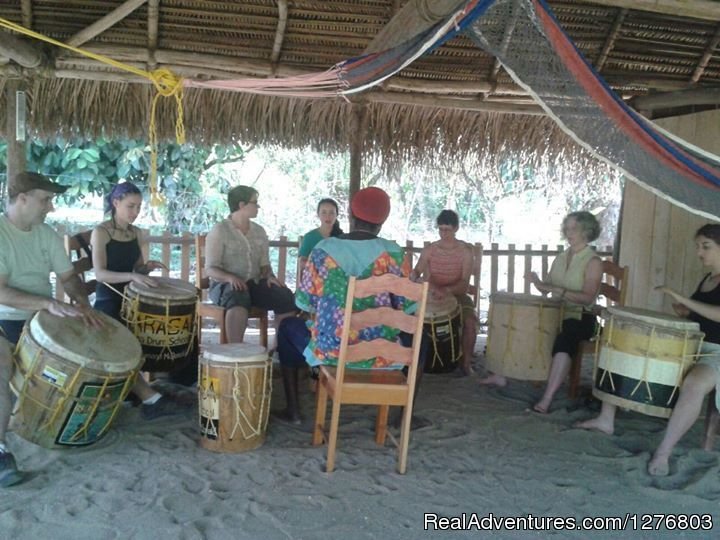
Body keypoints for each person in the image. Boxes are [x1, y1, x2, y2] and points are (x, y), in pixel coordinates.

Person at [576, 224, 720, 477]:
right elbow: (699, 314)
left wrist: (680, 296)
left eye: (705, 247)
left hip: (714, 353)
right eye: (697, 246)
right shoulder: (708, 279)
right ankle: (606, 419)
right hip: (692, 344)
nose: (699, 252)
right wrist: (684, 311)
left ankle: (663, 452)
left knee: (695, 384)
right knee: (629, 346)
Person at [273, 187, 422, 425]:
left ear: (351, 216)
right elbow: (407, 308)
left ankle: (293, 411)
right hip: (383, 355)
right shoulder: (394, 253)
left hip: (331, 353)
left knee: (287, 328)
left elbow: (305, 301)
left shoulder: (323, 250)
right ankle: (405, 418)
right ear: (382, 222)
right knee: (419, 341)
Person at [0, 172, 105, 487]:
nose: (51, 207)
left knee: (99, 337)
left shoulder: (46, 233)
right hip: (3, 317)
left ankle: (148, 398)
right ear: (23, 198)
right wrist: (46, 303)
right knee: (2, 365)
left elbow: (68, 277)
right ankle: (1, 450)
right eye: (45, 199)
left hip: (40, 317)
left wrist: (83, 304)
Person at [481, 212, 602, 411]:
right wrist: (537, 282)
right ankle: (502, 375)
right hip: (554, 314)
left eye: (574, 229)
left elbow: (588, 298)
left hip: (580, 317)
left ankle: (547, 398)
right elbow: (547, 289)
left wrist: (559, 291)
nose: (568, 232)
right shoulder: (562, 257)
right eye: (567, 228)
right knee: (520, 324)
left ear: (586, 232)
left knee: (565, 338)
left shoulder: (593, 261)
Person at [90, 181, 187, 418]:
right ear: (115, 203)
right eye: (130, 206)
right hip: (109, 301)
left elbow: (134, 268)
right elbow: (101, 274)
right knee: (122, 345)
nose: (135, 212)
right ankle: (149, 398)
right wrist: (133, 275)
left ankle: (161, 386)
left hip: (132, 299)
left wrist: (144, 269)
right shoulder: (101, 232)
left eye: (138, 207)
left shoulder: (136, 233)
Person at [205, 185, 296, 344]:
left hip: (253, 284)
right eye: (255, 202)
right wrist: (230, 278)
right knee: (238, 295)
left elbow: (264, 265)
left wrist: (269, 276)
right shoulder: (220, 230)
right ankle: (235, 351)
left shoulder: (259, 231)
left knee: (285, 296)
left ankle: (279, 347)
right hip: (224, 286)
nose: (258, 206)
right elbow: (210, 268)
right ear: (242, 205)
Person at [411, 210, 476, 376]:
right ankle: (415, 362)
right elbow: (417, 270)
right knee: (408, 318)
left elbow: (464, 283)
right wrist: (414, 277)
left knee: (470, 322)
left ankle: (466, 364)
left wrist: (446, 290)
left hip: (456, 295)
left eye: (447, 229)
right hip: (431, 294)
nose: (443, 233)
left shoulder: (465, 251)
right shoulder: (431, 249)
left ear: (456, 228)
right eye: (440, 229)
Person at [297, 198, 343, 269]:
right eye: (324, 212)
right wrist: (318, 266)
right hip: (315, 276)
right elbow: (302, 261)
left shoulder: (342, 238)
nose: (328, 216)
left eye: (331, 212)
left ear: (336, 215)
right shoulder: (309, 237)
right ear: (318, 214)